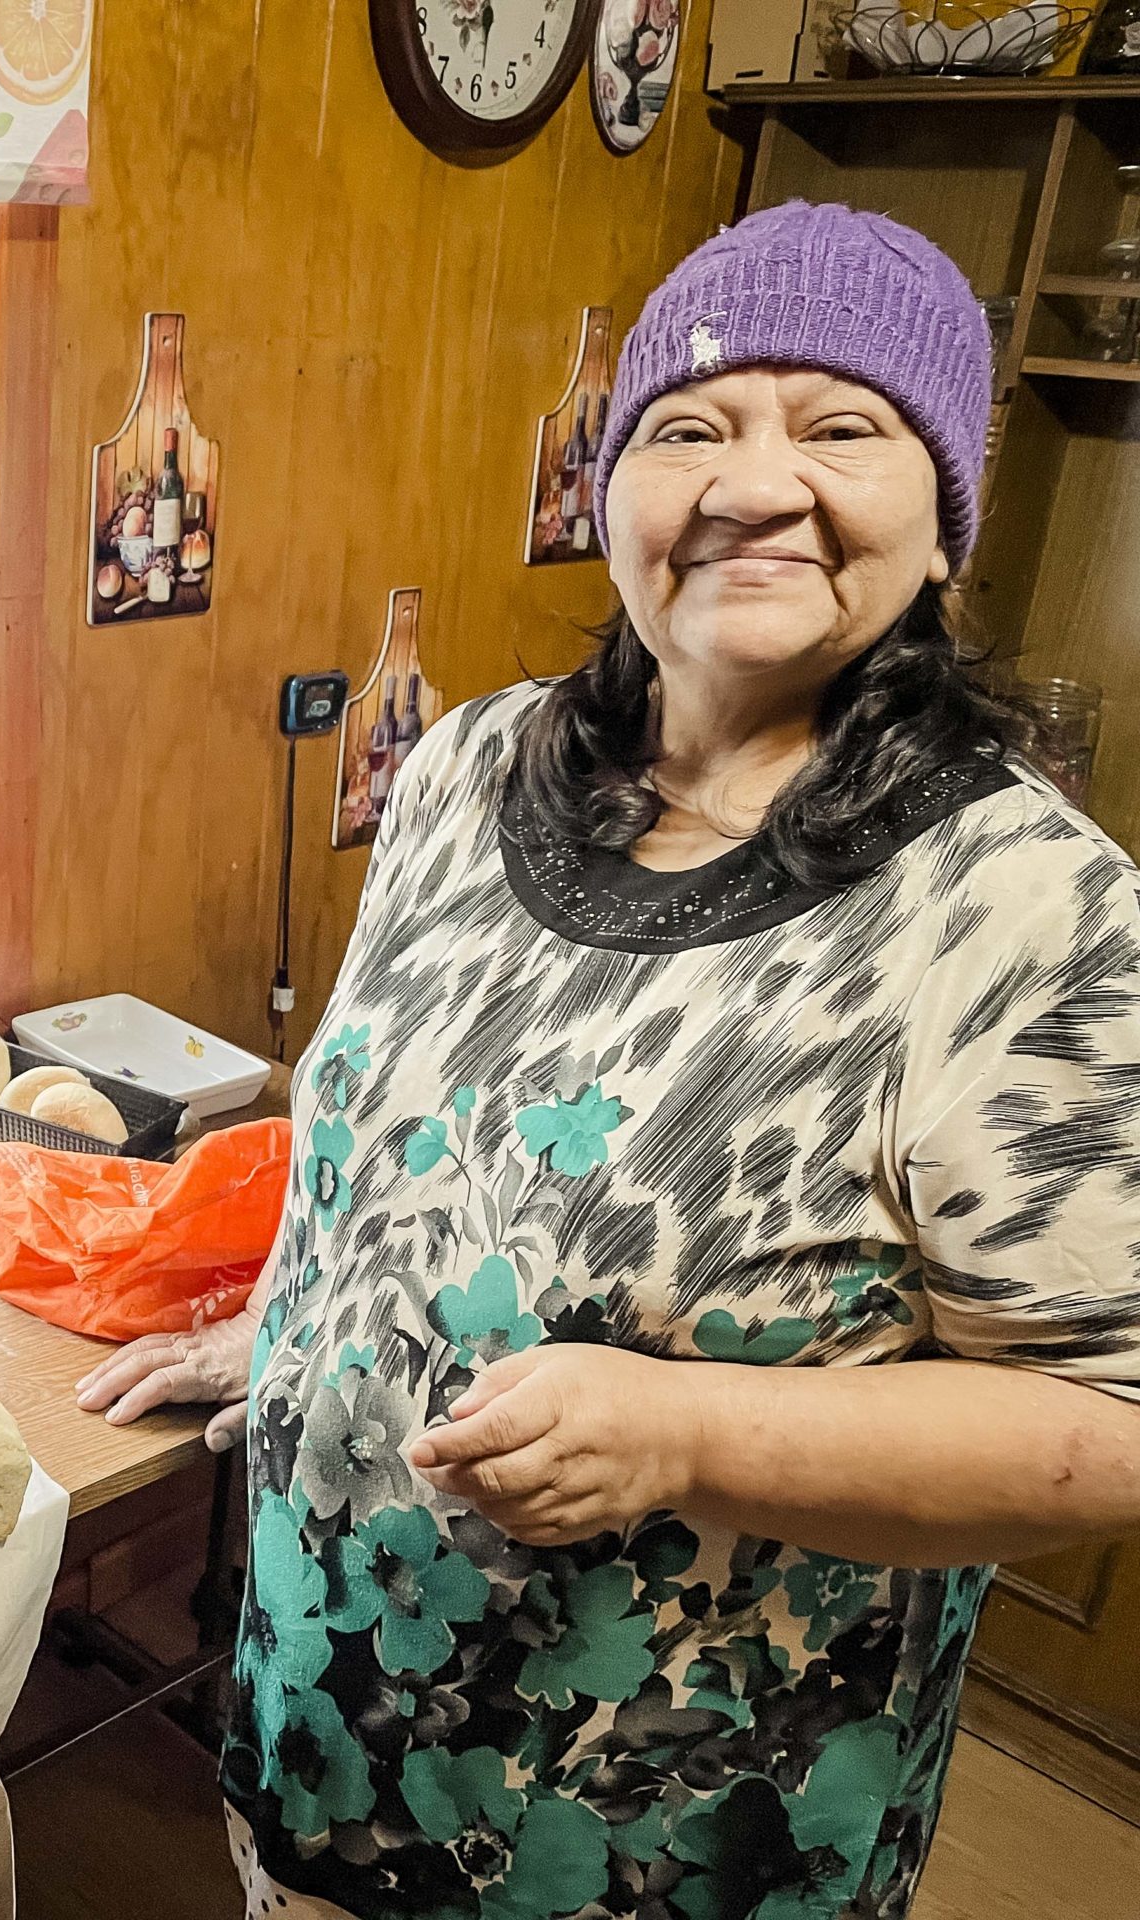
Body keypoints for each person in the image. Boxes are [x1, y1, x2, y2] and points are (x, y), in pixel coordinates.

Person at [76, 201, 1140, 1920]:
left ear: (947, 521)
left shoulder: (1029, 907)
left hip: (660, 1841)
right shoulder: (469, 766)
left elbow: (1111, 1419)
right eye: (690, 427)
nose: (752, 484)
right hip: (322, 1748)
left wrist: (691, 1433)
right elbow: (375, 1130)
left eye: (842, 429)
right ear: (612, 489)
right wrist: (293, 1324)